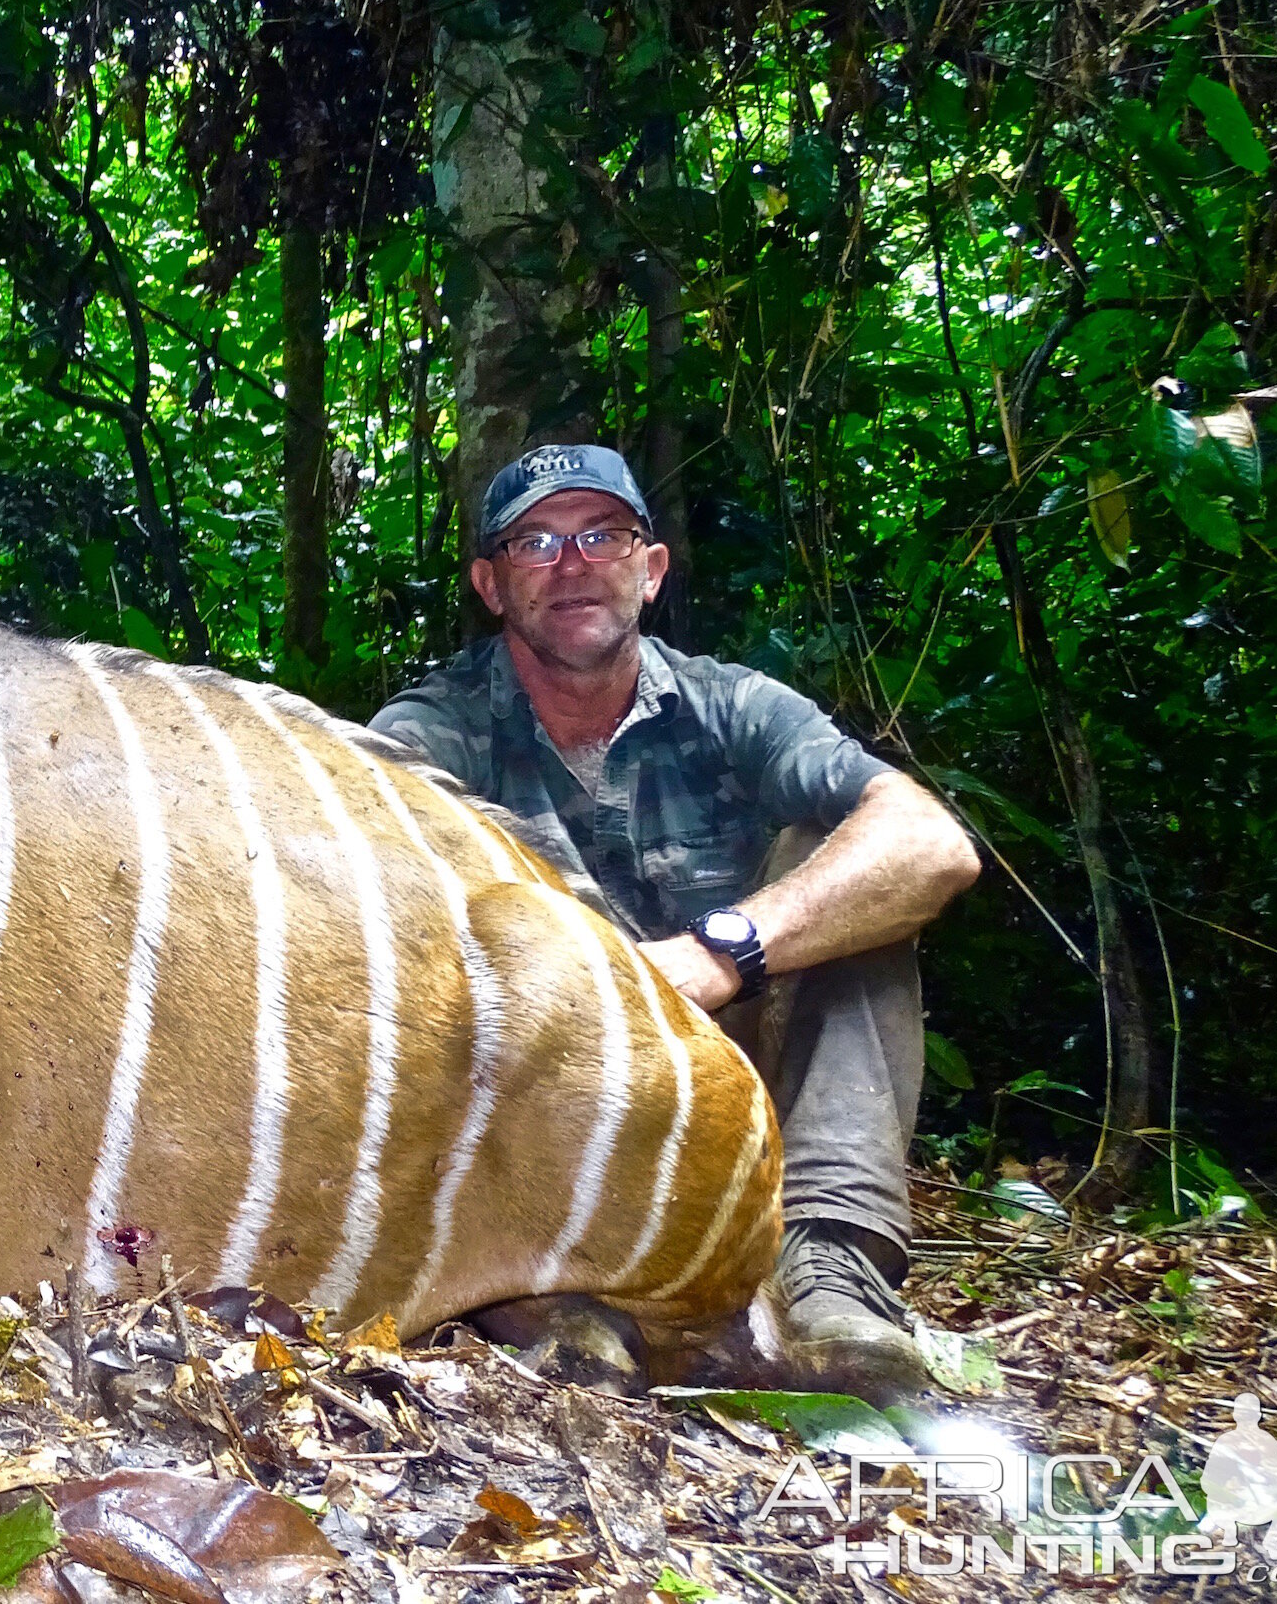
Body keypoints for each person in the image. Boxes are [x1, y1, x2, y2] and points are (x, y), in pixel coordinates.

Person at [369, 443, 981, 1401]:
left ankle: (830, 1268)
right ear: (492, 586)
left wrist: (719, 951)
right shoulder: (430, 732)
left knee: (851, 859)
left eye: (602, 534)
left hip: (740, 1059)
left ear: (650, 570)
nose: (572, 563)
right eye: (536, 542)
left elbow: (931, 844)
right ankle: (532, 1287)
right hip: (558, 1095)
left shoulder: (731, 703)